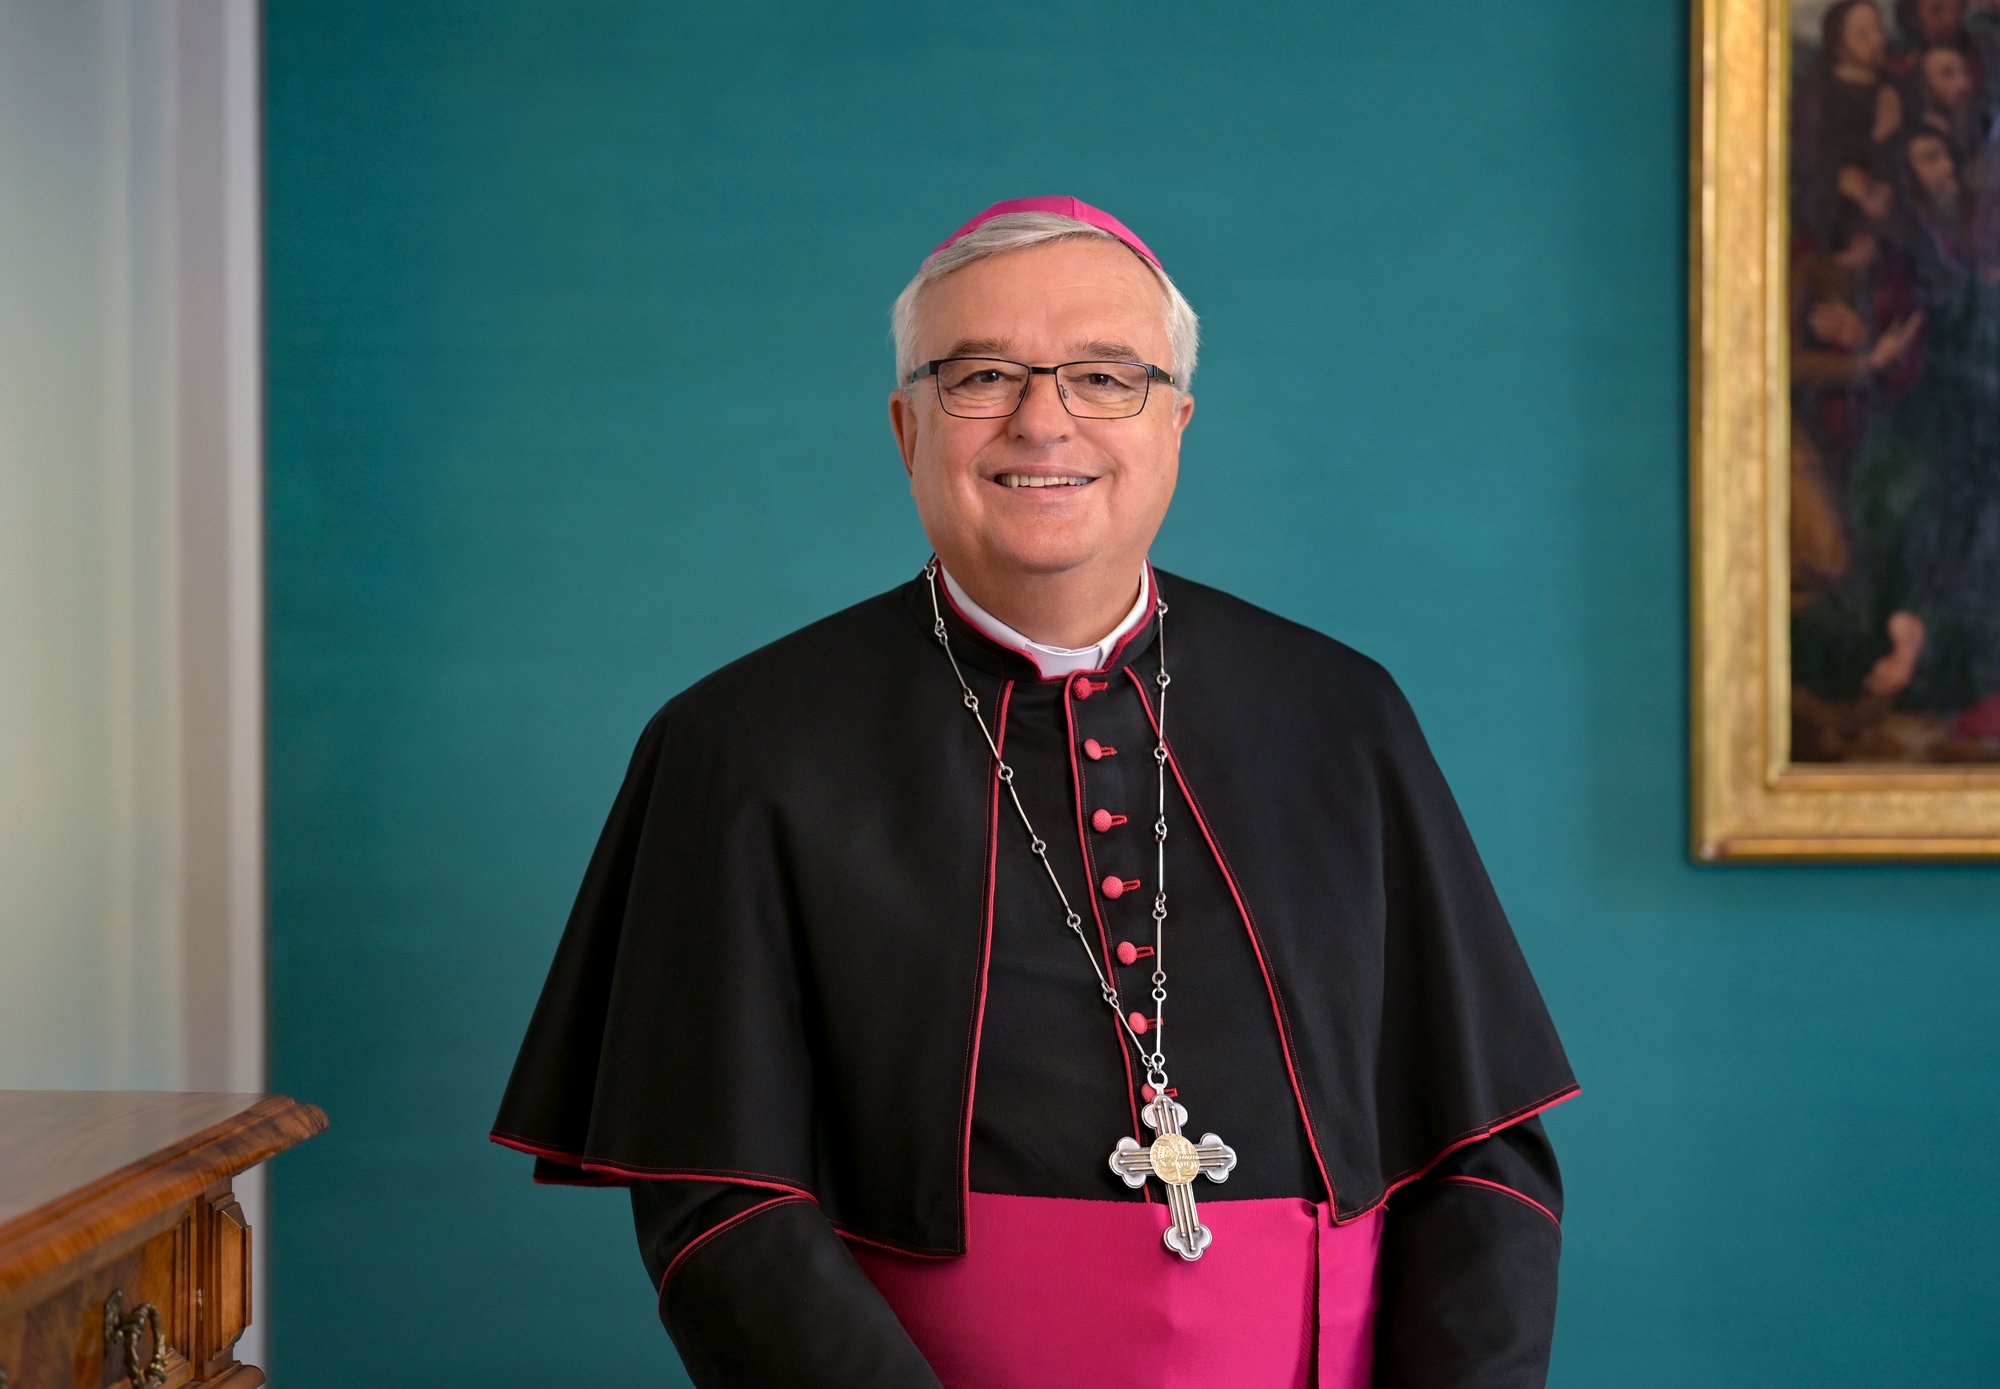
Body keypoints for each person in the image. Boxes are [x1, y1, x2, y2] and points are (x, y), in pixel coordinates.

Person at [489, 195, 1578, 1387]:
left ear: (1175, 424)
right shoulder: (740, 745)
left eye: (1105, 377)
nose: (1042, 419)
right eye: (981, 376)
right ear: (906, 427)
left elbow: (1478, 1161)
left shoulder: (1340, 715)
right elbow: (717, 1197)